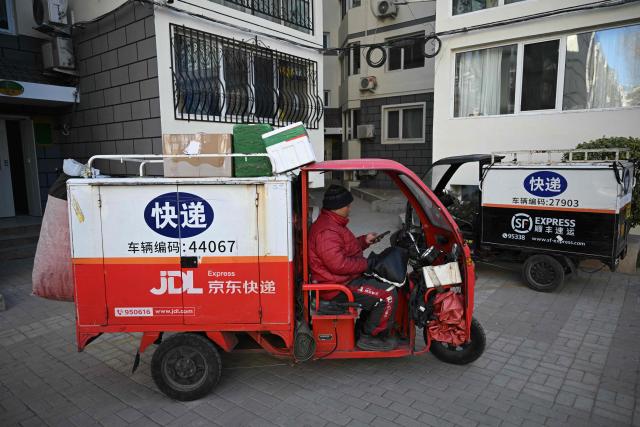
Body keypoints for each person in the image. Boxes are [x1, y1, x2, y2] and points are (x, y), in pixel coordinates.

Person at [308, 185, 398, 351]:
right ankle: (370, 337)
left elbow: (344, 249)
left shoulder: (333, 224)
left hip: (344, 280)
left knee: (381, 283)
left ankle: (363, 328)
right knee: (387, 294)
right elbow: (338, 264)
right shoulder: (327, 231)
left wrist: (365, 241)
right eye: (347, 205)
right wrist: (366, 264)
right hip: (338, 288)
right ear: (338, 207)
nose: (350, 208)